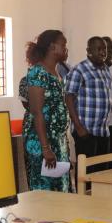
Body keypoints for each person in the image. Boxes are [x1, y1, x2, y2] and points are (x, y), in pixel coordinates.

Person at [23, 30, 71, 192]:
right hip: (41, 141)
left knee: (60, 189)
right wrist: (45, 148)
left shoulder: (57, 72)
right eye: (63, 45)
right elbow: (37, 112)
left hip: (57, 141)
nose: (66, 49)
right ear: (52, 47)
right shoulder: (38, 72)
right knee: (44, 191)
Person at [66, 37, 112, 171]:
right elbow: (69, 98)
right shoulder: (79, 70)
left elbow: (101, 96)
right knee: (85, 173)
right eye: (99, 49)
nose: (103, 52)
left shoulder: (105, 69)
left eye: (105, 49)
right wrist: (79, 128)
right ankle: (83, 193)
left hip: (103, 131)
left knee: (102, 173)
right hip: (86, 132)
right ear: (89, 51)